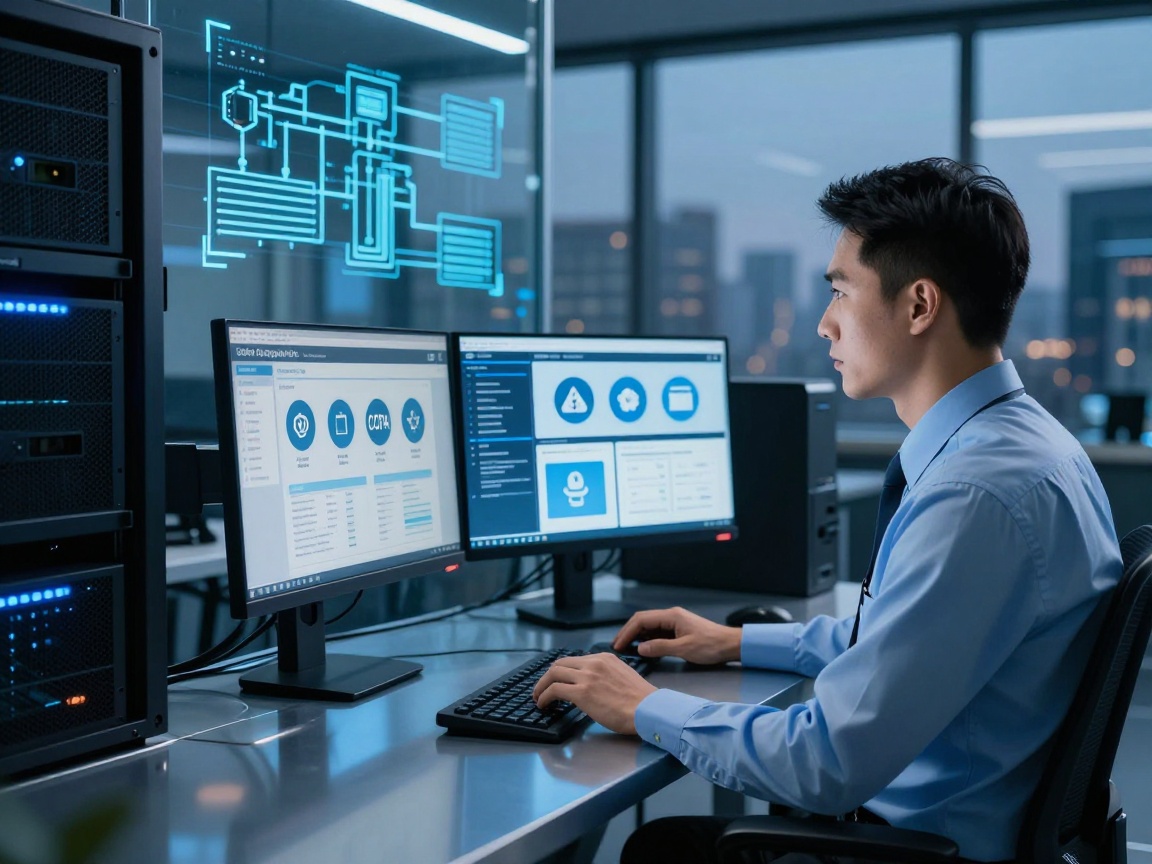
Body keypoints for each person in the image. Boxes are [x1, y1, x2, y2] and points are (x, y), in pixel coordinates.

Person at [532, 158, 1122, 863]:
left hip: (914, 846)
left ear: (919, 305)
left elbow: (826, 763)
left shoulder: (977, 498)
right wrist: (736, 642)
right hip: (948, 822)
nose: (824, 324)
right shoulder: (1028, 450)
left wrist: (643, 705)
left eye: (842, 292)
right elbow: (903, 638)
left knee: (662, 849)